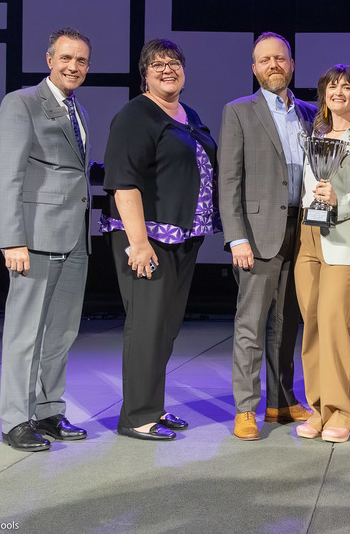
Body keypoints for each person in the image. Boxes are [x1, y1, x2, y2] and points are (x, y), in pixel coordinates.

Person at [101, 38, 219, 441]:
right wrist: (138, 242)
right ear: (144, 74)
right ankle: (136, 416)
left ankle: (152, 405)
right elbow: (123, 181)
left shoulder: (189, 114)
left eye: (174, 62)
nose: (167, 69)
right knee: (147, 326)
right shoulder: (136, 115)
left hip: (183, 239)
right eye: (157, 64)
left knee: (165, 328)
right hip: (147, 239)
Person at [0, 27, 92, 451]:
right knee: (25, 333)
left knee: (61, 333)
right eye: (66, 58)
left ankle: (50, 411)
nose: (73, 66)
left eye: (82, 61)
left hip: (74, 238)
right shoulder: (22, 103)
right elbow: (7, 174)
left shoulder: (77, 108)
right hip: (34, 238)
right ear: (49, 59)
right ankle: (16, 419)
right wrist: (12, 239)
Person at [219, 32, 316, 440]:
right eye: (265, 60)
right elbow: (229, 179)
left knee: (286, 323)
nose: (273, 64)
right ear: (255, 68)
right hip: (258, 234)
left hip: (305, 229)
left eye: (280, 58)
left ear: (291, 65)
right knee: (251, 324)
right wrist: (236, 236)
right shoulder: (239, 112)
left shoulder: (312, 112)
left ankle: (280, 400)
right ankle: (245, 408)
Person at [292, 65, 350, 444]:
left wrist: (342, 201)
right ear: (324, 95)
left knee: (335, 326)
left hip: (344, 240)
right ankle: (318, 409)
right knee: (313, 327)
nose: (339, 91)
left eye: (347, 87)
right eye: (332, 86)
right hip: (308, 237)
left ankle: (343, 413)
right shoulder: (314, 135)